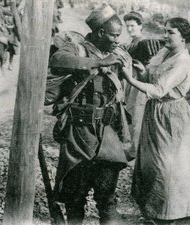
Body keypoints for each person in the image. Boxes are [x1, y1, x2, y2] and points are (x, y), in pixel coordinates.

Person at [49, 4, 134, 225]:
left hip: (107, 132)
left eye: (119, 35)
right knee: (75, 198)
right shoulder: (77, 48)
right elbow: (58, 60)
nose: (117, 40)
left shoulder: (117, 53)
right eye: (114, 35)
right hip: (79, 132)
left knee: (107, 197)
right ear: (100, 33)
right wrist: (99, 62)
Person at [120, 17, 190, 224]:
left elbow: (159, 90)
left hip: (172, 115)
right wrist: (141, 73)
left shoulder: (182, 62)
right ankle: (154, 211)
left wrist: (130, 79)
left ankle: (171, 213)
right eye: (165, 31)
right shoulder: (165, 52)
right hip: (156, 112)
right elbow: (152, 78)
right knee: (152, 160)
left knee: (168, 164)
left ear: (184, 38)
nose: (165, 35)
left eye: (171, 32)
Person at [123, 11, 164, 156]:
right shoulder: (131, 43)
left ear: (140, 26)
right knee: (129, 112)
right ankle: (132, 147)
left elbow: (151, 66)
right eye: (127, 26)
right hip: (130, 81)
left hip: (140, 82)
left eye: (133, 26)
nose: (129, 29)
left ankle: (135, 151)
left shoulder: (144, 43)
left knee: (137, 116)